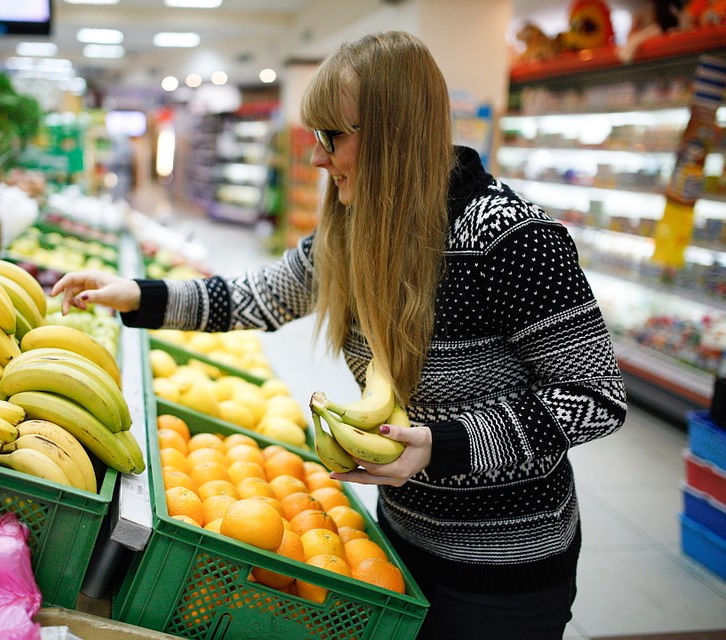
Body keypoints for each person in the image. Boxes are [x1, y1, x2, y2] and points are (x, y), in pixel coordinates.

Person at [52, 30, 627, 640]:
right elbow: (258, 297)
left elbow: (597, 396)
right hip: (398, 540)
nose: (317, 158)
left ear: (394, 135)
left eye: (333, 137)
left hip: (505, 566)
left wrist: (442, 445)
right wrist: (138, 295)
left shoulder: (512, 240)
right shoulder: (357, 231)